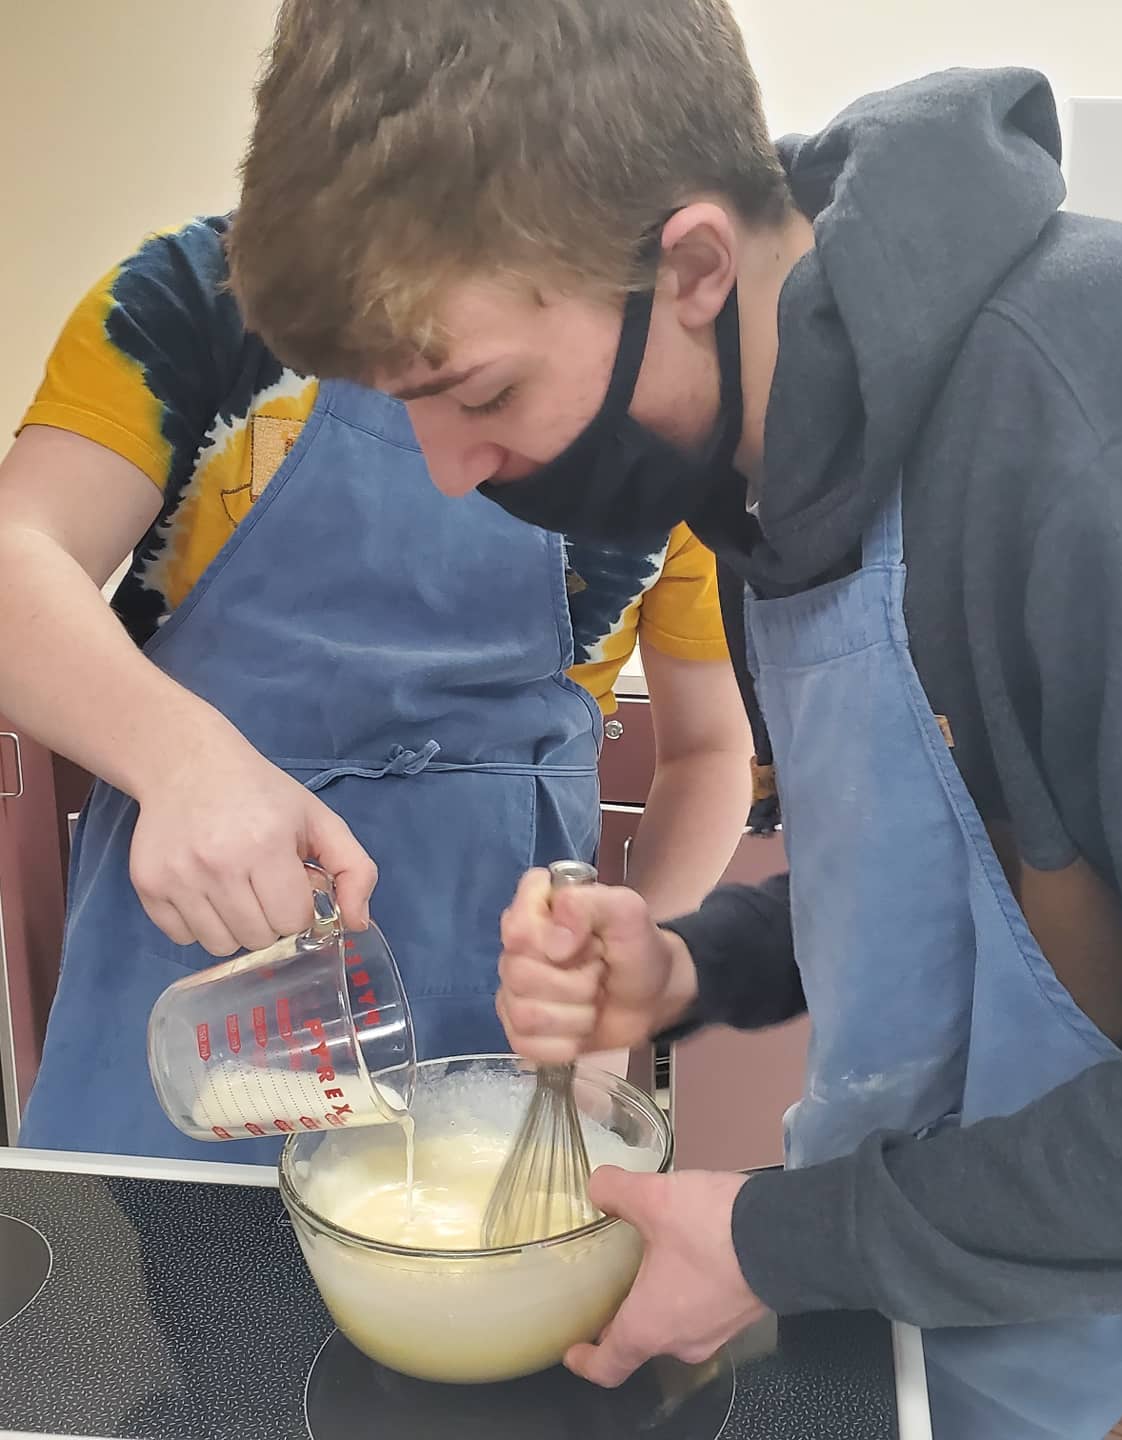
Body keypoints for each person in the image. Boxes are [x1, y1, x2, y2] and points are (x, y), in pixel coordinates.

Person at [224, 4, 1122, 1437]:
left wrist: (776, 1242)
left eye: (481, 391)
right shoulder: (771, 474)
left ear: (691, 266)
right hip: (957, 1325)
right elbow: (977, 886)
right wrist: (694, 964)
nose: (448, 471)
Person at [0, 214, 752, 1162]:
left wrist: (621, 982)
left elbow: (709, 752)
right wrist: (183, 763)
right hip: (192, 976)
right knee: (156, 1259)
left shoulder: (660, 406)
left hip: (503, 993)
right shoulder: (199, 300)